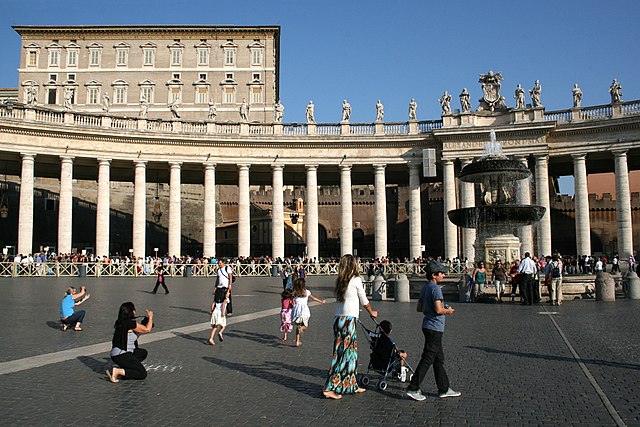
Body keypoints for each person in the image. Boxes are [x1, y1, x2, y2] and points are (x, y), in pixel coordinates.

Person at [323, 254, 377, 400]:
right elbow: (363, 299)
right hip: (348, 321)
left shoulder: (341, 280)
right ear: (353, 265)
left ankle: (351, 384)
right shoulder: (356, 280)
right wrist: (372, 311)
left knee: (351, 354)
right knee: (342, 354)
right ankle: (329, 388)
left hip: (339, 319)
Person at [406, 261, 460, 401]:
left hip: (428, 325)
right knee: (428, 358)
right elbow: (438, 309)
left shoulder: (425, 288)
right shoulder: (436, 289)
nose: (443, 274)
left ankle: (444, 388)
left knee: (438, 359)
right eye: (441, 273)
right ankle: (413, 387)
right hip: (435, 327)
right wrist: (448, 310)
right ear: (434, 275)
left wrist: (430, 308)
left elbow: (419, 308)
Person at [106, 302, 153, 382]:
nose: (135, 311)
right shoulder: (130, 323)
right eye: (134, 309)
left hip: (116, 353)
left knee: (142, 353)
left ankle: (128, 369)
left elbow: (137, 330)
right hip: (122, 354)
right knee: (142, 374)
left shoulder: (120, 322)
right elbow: (147, 329)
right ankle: (118, 371)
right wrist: (150, 317)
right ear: (131, 311)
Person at [291, 277, 325, 347]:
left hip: (296, 310)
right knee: (305, 325)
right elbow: (314, 298)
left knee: (298, 326)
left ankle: (297, 341)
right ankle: (302, 328)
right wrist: (321, 301)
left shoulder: (294, 293)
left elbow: (292, 301)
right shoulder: (307, 292)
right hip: (304, 310)